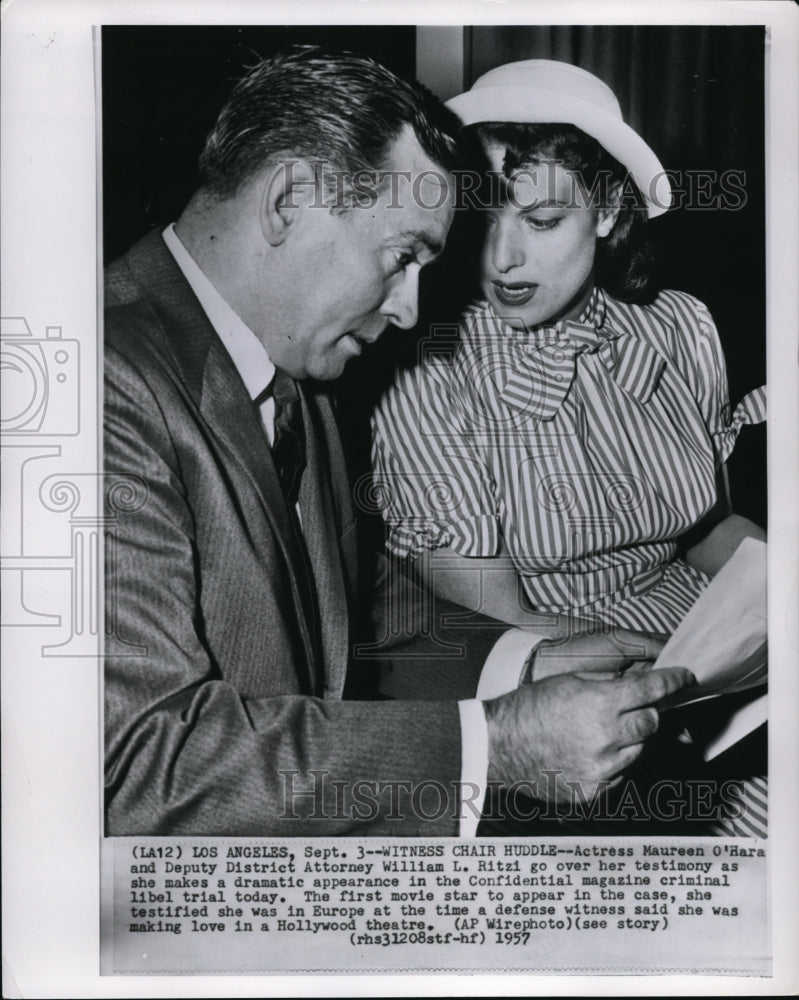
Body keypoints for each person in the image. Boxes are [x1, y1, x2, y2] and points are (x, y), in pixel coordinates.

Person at [104, 47, 692, 837]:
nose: (410, 311)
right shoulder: (99, 380)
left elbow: (344, 598)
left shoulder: (287, 366)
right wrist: (497, 745)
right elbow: (140, 767)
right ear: (289, 200)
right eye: (402, 256)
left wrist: (527, 661)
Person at [371, 59, 767, 835]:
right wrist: (686, 673)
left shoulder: (675, 328)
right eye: (484, 217)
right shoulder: (427, 377)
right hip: (571, 704)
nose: (502, 257)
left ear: (610, 210)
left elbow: (706, 528)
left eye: (542, 221)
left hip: (715, 661)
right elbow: (498, 626)